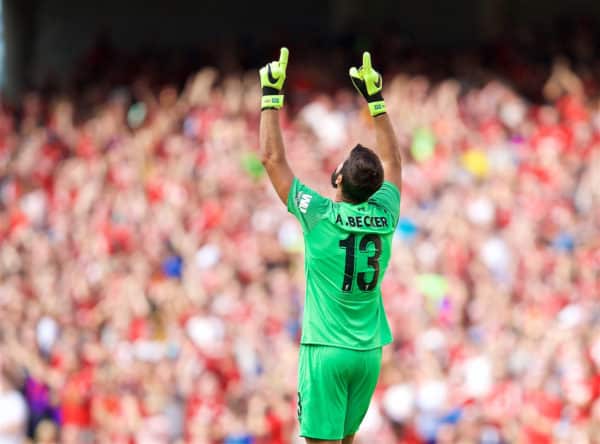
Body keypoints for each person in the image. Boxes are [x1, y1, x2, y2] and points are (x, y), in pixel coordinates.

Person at [259, 48, 402, 443]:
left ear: (339, 178)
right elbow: (393, 161)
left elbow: (272, 158)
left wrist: (270, 95)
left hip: (325, 350)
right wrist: (375, 100)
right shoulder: (385, 213)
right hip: (368, 353)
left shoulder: (319, 214)